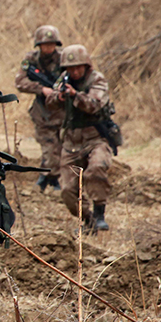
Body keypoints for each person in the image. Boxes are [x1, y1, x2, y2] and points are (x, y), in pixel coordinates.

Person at [46, 44, 114, 232]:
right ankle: (88, 219)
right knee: (67, 190)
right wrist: (58, 97)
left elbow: (94, 104)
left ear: (86, 66)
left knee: (97, 168)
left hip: (96, 138)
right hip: (71, 142)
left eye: (78, 67)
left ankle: (100, 214)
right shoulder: (63, 80)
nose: (74, 72)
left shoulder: (97, 79)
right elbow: (49, 102)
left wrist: (75, 95)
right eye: (70, 68)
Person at [14, 25, 65, 191]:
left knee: (61, 146)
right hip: (42, 111)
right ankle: (52, 179)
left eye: (51, 44)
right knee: (48, 146)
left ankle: (47, 177)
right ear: (38, 45)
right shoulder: (31, 60)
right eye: (45, 44)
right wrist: (41, 89)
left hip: (63, 110)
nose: (48, 47)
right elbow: (20, 82)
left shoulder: (64, 59)